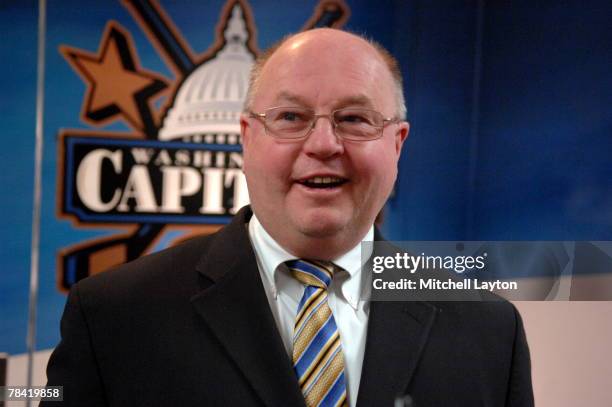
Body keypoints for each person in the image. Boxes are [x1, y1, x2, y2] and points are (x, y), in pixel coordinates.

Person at [43, 28, 533, 407]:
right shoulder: (114, 316)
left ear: (397, 144)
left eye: (355, 119)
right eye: (290, 118)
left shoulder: (488, 330)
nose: (322, 145)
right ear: (246, 138)